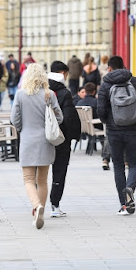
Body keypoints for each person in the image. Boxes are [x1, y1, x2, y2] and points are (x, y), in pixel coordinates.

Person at [11, 63, 63, 229]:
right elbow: (60, 118)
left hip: (27, 140)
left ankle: (36, 206)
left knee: (28, 179)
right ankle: (40, 209)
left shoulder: (20, 94)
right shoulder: (50, 94)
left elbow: (15, 119)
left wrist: (22, 129)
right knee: (42, 180)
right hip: (46, 141)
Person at [97, 56, 136, 215]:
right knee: (134, 164)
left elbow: (100, 110)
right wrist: (135, 119)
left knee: (118, 166)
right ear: (124, 65)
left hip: (114, 131)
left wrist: (109, 122)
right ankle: (130, 188)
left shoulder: (106, 84)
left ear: (110, 68)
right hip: (133, 129)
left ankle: (124, 205)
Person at [48, 61, 81, 218]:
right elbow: (69, 117)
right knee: (59, 171)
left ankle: (37, 203)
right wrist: (74, 135)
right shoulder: (64, 93)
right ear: (62, 73)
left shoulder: (41, 90)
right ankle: (55, 205)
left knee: (40, 174)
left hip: (43, 137)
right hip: (60, 138)